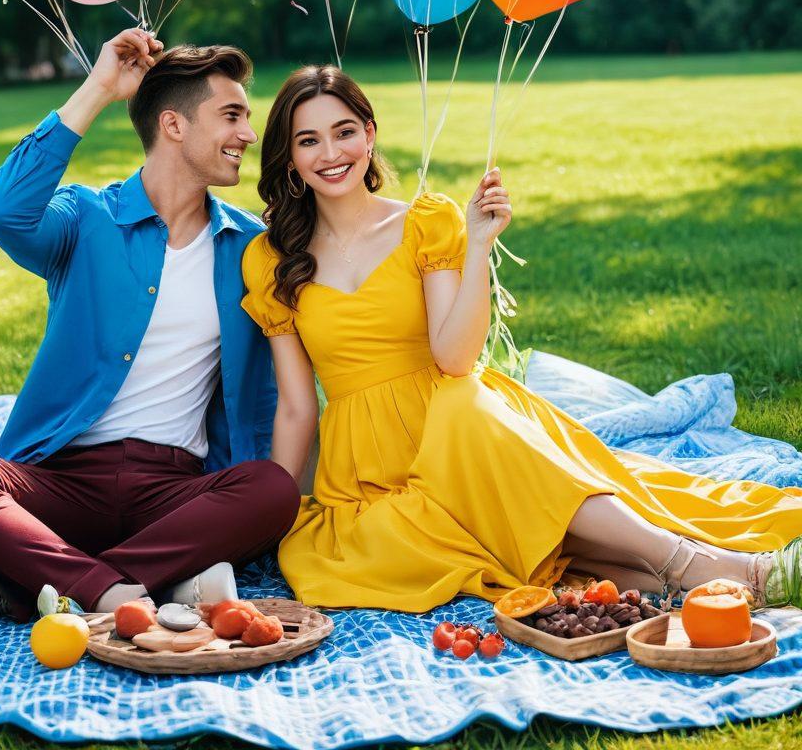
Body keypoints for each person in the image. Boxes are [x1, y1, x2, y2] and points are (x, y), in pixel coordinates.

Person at [241, 65, 802, 613]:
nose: (331, 154)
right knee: (512, 537)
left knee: (472, 421)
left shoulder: (425, 222)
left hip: (460, 421)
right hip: (369, 470)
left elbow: (454, 359)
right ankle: (702, 580)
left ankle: (707, 568)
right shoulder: (272, 262)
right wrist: (274, 508)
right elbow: (296, 407)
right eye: (308, 140)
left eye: (343, 132)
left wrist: (479, 247)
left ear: (369, 133)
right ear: (289, 159)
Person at [0, 29, 299, 626]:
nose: (248, 133)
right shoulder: (87, 217)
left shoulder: (249, 248)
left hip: (174, 496)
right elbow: (4, 212)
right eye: (232, 115)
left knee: (272, 489)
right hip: (61, 485)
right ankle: (134, 585)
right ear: (174, 126)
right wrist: (98, 88)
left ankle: (29, 587)